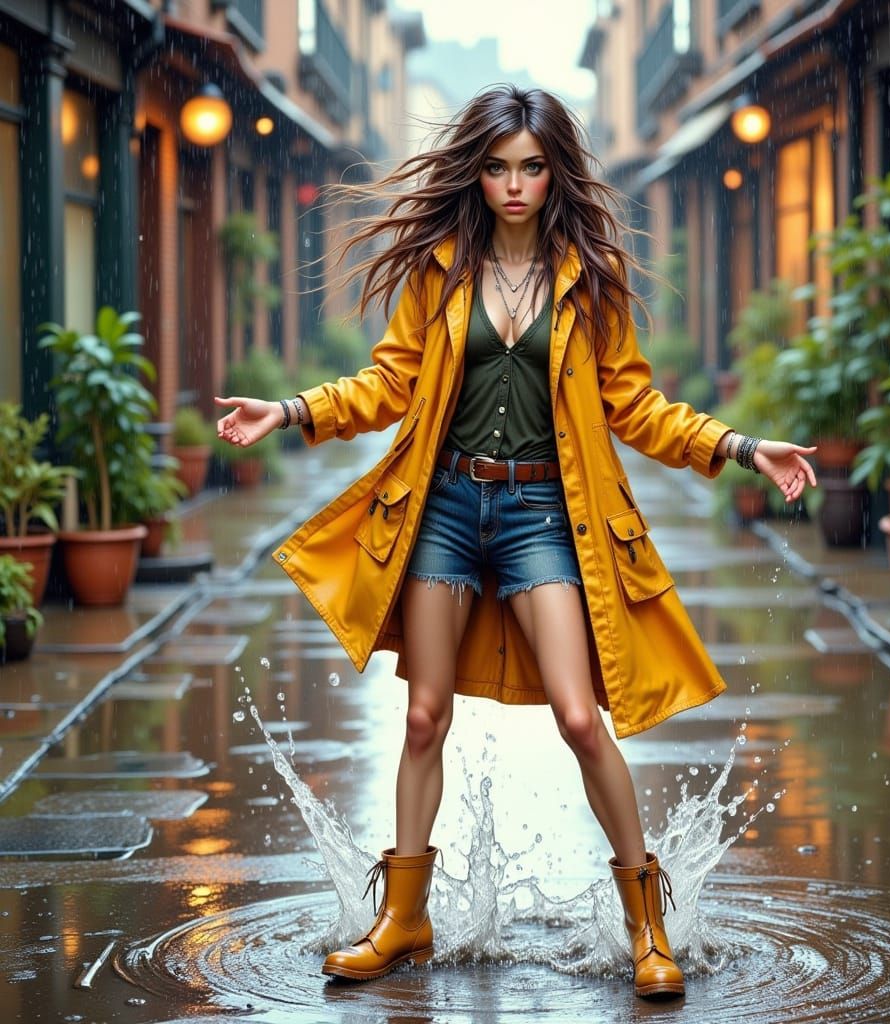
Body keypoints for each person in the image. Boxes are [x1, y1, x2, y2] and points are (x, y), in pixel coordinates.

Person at [215, 85, 816, 1001]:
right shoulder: (440, 269)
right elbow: (389, 385)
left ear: (555, 172)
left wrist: (740, 447)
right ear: (478, 171)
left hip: (544, 517)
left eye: (531, 167)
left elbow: (637, 407)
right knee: (423, 717)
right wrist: (291, 410)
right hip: (448, 508)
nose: (513, 186)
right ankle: (403, 919)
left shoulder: (589, 277)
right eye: (497, 168)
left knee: (581, 717)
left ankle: (645, 921)